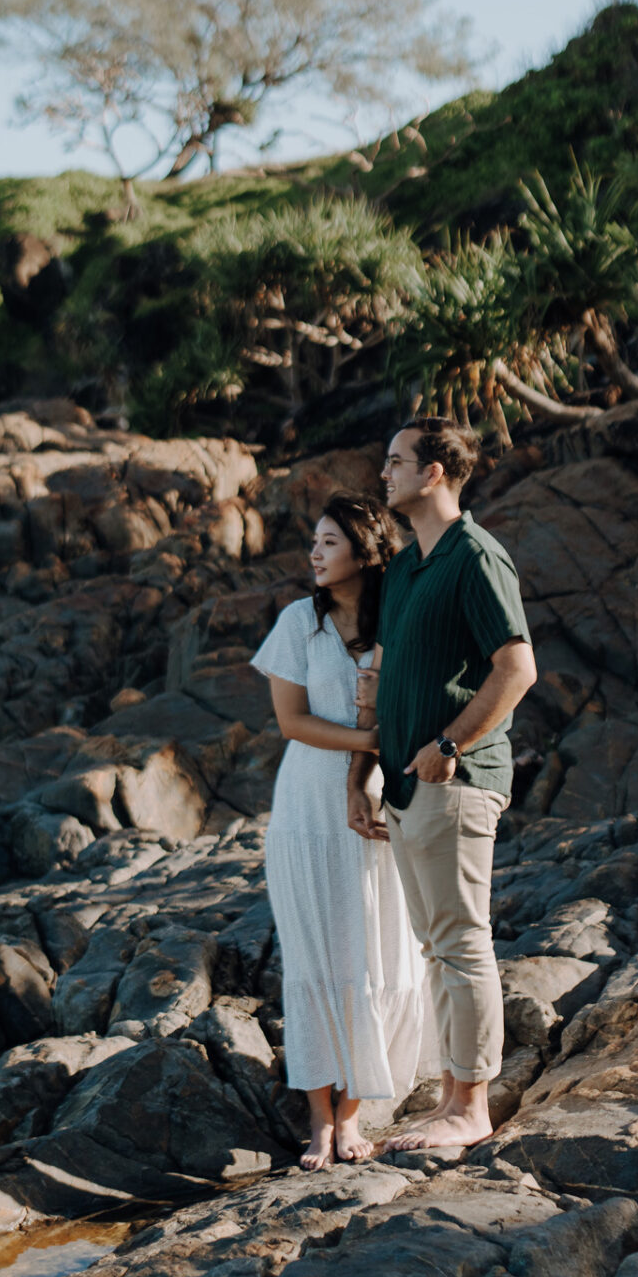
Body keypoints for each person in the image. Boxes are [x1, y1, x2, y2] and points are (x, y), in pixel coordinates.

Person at [347, 420, 536, 1152]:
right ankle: (456, 1094)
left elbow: (516, 669)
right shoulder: (403, 569)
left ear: (433, 474)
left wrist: (449, 743)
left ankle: (472, 1105)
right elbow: (385, 676)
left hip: (456, 779)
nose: (383, 474)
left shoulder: (476, 556)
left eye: (395, 462)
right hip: (401, 784)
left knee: (460, 942)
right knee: (437, 946)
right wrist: (363, 775)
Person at [250, 491, 428, 1170]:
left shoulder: (399, 619)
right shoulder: (300, 622)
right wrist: (370, 733)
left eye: (328, 542)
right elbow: (292, 723)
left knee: (373, 950)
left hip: (381, 803)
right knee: (316, 959)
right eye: (316, 542)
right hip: (305, 805)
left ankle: (352, 1114)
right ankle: (320, 1123)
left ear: (365, 550)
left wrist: (377, 748)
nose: (315, 554)